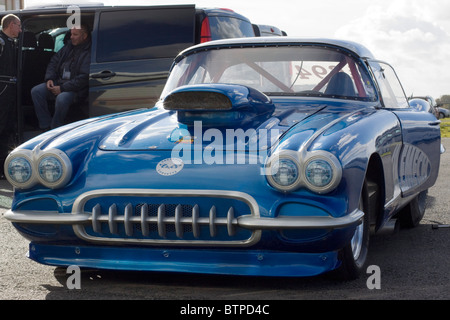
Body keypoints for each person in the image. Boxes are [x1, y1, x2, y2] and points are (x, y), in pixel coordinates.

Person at [32, 25, 91, 130]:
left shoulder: (88, 52)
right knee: (36, 91)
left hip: (75, 89)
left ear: (84, 36)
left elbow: (83, 78)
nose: (71, 37)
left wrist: (62, 88)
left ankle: (56, 128)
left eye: (75, 34)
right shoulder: (68, 48)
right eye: (71, 34)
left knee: (62, 98)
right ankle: (45, 125)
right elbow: (53, 62)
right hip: (59, 82)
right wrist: (49, 78)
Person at [0, 14, 21, 179]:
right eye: (19, 26)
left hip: (10, 89)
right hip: (3, 89)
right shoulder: (1, 42)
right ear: (11, 25)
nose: (20, 30)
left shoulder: (10, 42)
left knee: (7, 127)